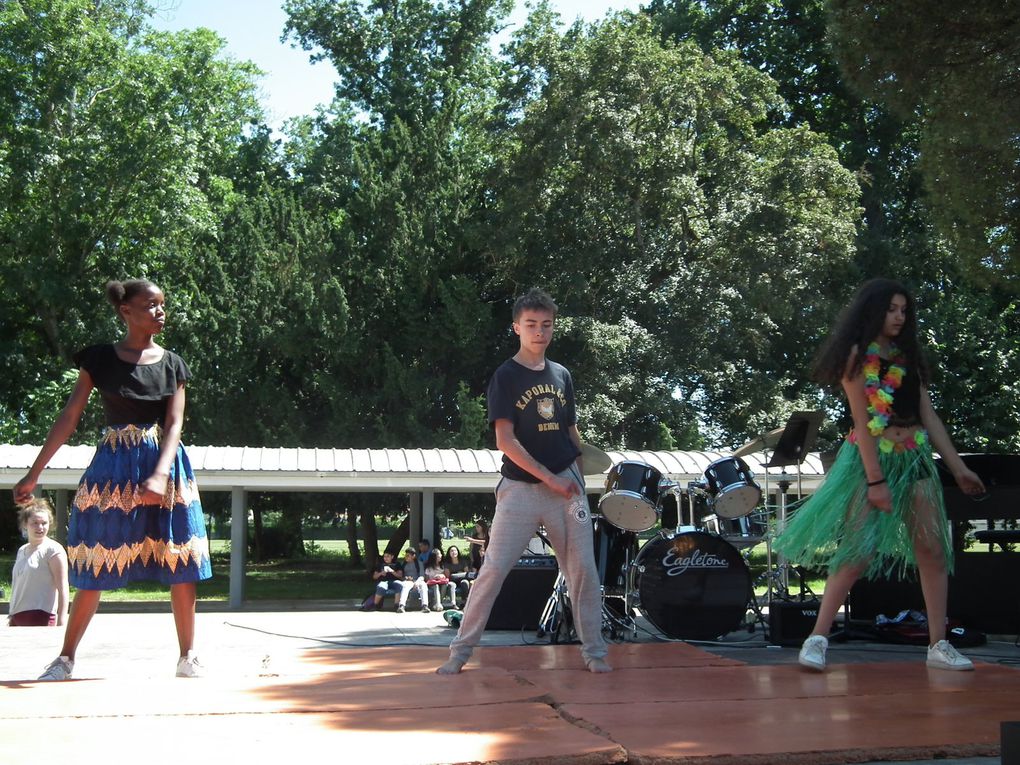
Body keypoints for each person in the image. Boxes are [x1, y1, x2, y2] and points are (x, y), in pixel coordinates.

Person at [774, 278, 986, 672]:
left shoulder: (908, 356)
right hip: (870, 458)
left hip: (914, 456)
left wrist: (958, 468)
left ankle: (938, 645)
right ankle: (817, 638)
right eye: (891, 309)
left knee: (932, 550)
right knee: (857, 550)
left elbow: (928, 414)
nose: (899, 317)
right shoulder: (856, 358)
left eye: (904, 310)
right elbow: (863, 421)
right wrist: (875, 481)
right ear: (872, 311)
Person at [12, 278, 212, 680]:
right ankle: (65, 659)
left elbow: (174, 424)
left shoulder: (173, 363)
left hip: (166, 468)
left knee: (181, 558)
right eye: (151, 305)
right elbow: (69, 417)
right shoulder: (100, 358)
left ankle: (188, 656)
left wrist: (158, 476)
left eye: (162, 305)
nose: (160, 311)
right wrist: (33, 473)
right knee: (96, 555)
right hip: (112, 469)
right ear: (126, 311)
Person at [437, 288, 610, 675]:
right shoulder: (506, 375)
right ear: (517, 327)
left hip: (567, 487)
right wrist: (549, 478)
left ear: (553, 328)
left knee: (583, 570)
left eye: (546, 325)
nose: (539, 332)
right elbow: (504, 441)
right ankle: (459, 653)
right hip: (520, 489)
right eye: (531, 325)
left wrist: (578, 482)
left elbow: (572, 434)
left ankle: (595, 653)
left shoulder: (562, 375)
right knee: (494, 569)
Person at [8, 498, 69, 627]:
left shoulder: (53, 550)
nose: (40, 527)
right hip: (17, 617)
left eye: (44, 523)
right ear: (25, 524)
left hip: (42, 617)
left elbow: (63, 588)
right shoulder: (22, 551)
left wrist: (62, 622)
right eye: (35, 523)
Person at [400, 548, 430, 613]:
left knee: (424, 586)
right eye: (406, 555)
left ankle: (425, 605)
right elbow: (401, 576)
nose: (406, 557)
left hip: (418, 580)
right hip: (408, 581)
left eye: (408, 555)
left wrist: (417, 582)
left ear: (413, 556)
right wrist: (406, 578)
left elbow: (422, 576)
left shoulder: (419, 563)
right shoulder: (403, 564)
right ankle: (402, 605)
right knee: (405, 587)